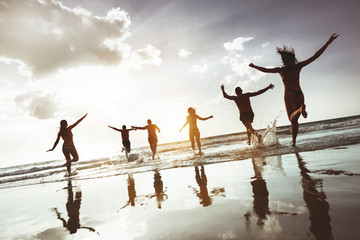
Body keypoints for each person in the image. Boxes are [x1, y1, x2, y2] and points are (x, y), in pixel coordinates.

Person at [249, 33, 339, 146]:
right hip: (300, 93)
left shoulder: (281, 70)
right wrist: (328, 42)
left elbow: (266, 70)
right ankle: (294, 142)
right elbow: (315, 56)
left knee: (292, 119)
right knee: (295, 121)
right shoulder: (298, 67)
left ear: (283, 60)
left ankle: (300, 110)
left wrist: (254, 66)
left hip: (289, 94)